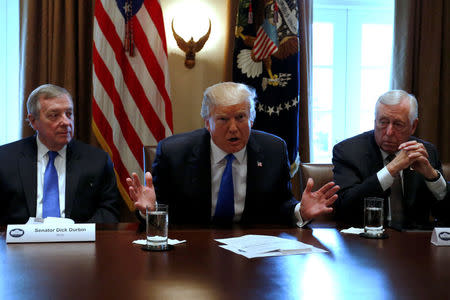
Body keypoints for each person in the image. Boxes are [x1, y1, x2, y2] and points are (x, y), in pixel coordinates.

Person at [127, 82, 339, 226]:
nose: (234, 128)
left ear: (252, 119)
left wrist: (300, 211)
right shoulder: (174, 152)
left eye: (240, 117)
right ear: (207, 123)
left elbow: (281, 205)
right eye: (223, 119)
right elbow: (157, 208)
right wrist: (149, 211)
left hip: (253, 254)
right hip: (191, 251)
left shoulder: (273, 150)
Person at [0, 84, 120, 224]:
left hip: (77, 243)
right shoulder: (5, 159)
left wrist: (78, 235)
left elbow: (109, 211)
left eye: (69, 114)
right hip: (21, 243)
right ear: (33, 121)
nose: (66, 122)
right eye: (54, 115)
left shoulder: (97, 160)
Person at [332, 90, 449, 229]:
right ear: (375, 121)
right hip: (365, 241)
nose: (388, 132)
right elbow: (344, 207)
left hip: (415, 242)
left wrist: (432, 177)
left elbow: (445, 213)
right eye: (383, 122)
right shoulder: (348, 151)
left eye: (398, 124)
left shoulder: (426, 152)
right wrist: (391, 169)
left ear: (413, 126)